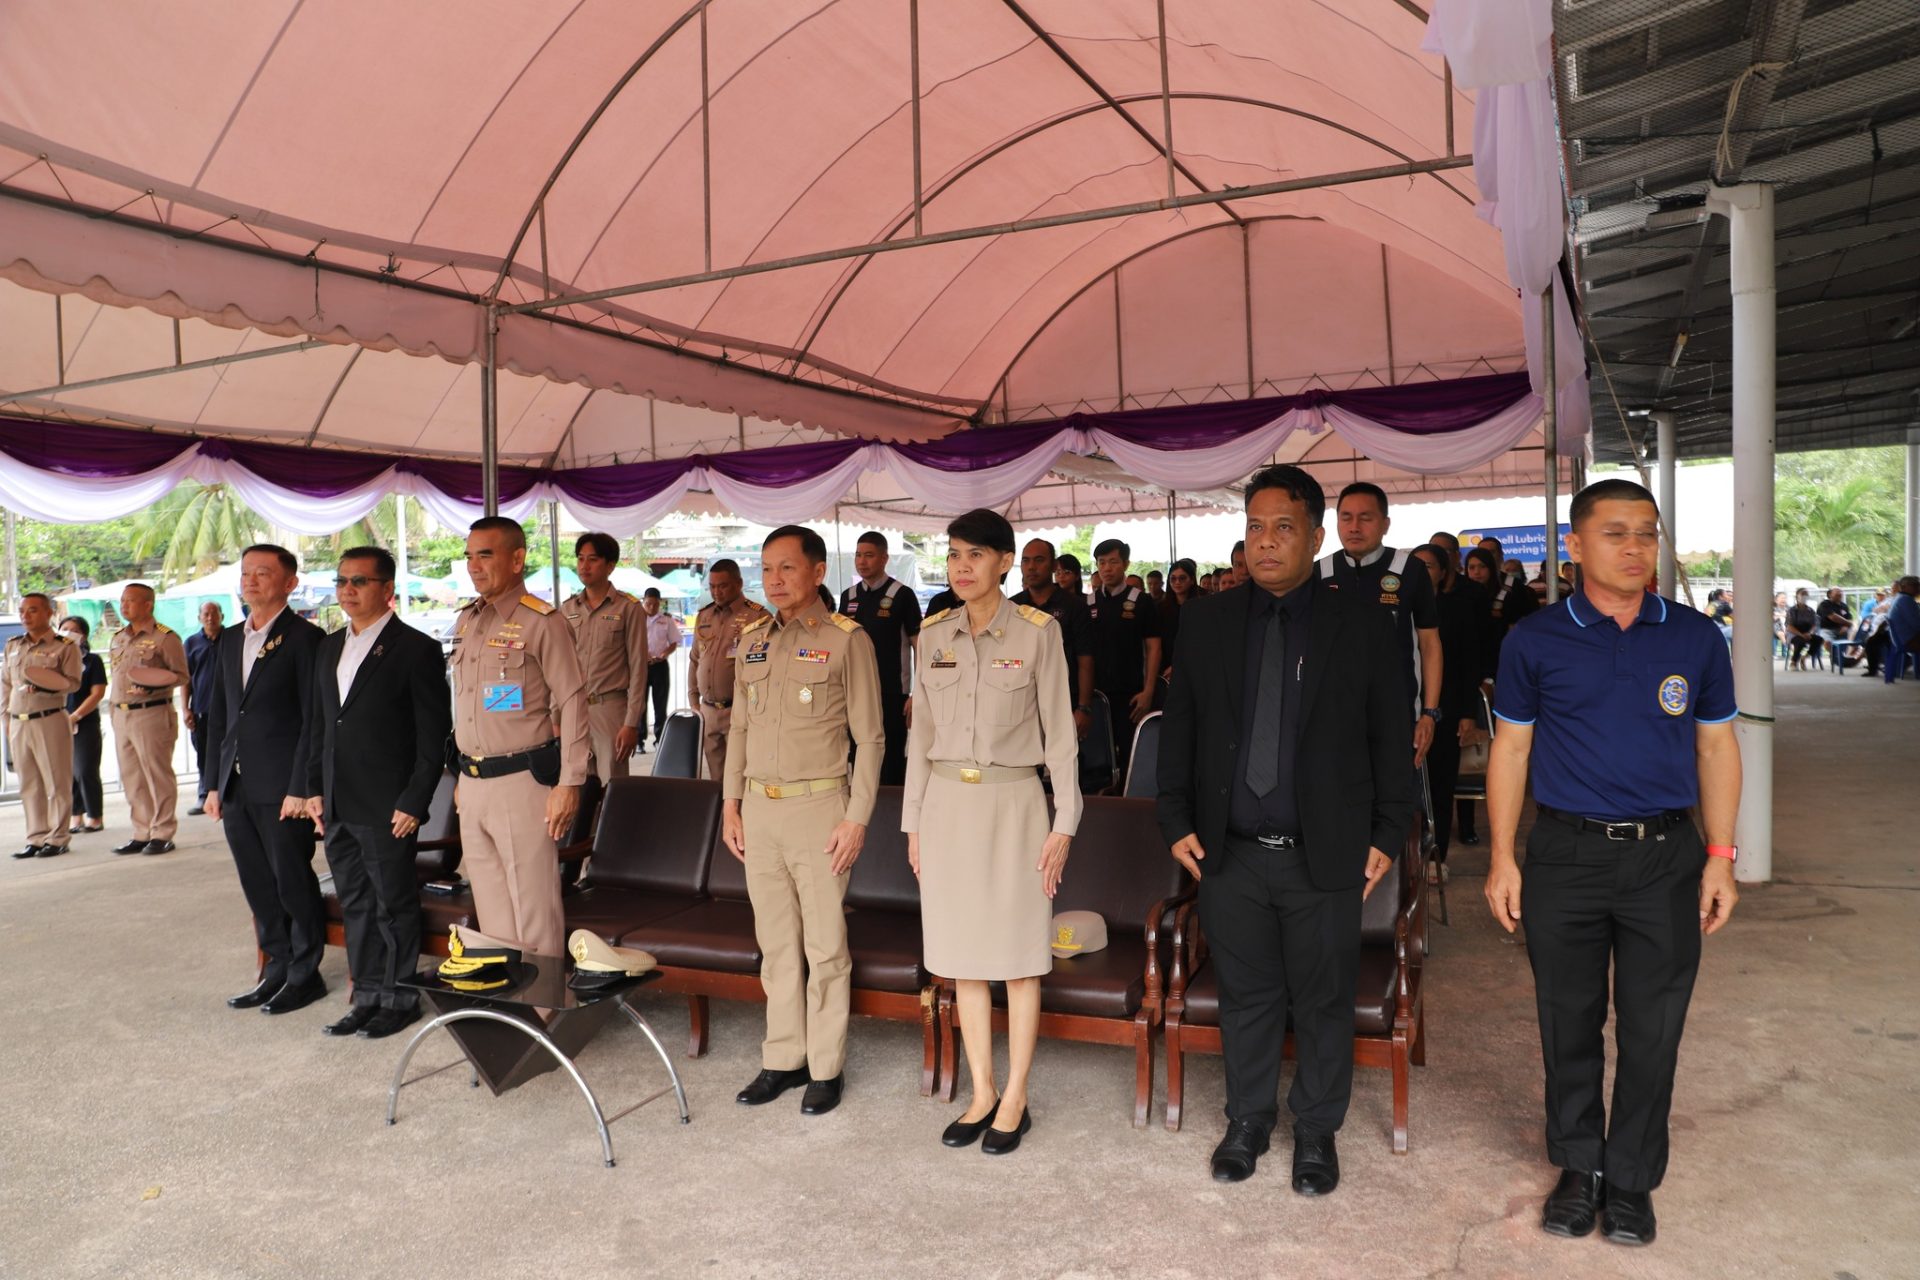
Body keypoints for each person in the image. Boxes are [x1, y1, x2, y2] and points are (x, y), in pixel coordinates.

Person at [1485, 477, 1741, 1248]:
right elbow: (1512, 749)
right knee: (1567, 1018)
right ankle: (1578, 1166)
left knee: (1653, 1025)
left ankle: (1630, 1177)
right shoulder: (1534, 639)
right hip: (1565, 854)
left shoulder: (1695, 637)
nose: (1636, 548)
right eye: (1616, 533)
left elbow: (1716, 746)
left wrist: (1721, 857)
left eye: (1647, 533)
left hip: (1666, 856)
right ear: (1574, 545)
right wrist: (1501, 856)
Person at [1157, 464, 1414, 1193]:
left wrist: (1388, 832)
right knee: (1246, 995)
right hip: (1231, 853)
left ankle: (1317, 1131)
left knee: (1324, 999)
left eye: (1283, 528)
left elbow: (1390, 738)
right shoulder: (1205, 621)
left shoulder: (1363, 623)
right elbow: (1182, 728)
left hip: (1324, 853)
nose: (1265, 542)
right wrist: (1174, 817)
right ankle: (1247, 1120)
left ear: (1316, 537)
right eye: (1255, 528)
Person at [904, 508, 1080, 1154]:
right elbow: (919, 739)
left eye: (975, 555)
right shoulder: (933, 635)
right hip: (947, 806)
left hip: (1015, 807)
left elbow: (1061, 736)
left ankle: (1016, 1096)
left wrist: (1064, 823)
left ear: (1005, 563)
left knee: (1018, 960)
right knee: (961, 960)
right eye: (954, 555)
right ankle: (982, 1092)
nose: (962, 567)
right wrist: (913, 823)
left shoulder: (1038, 633)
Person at [723, 524, 882, 1117]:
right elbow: (739, 728)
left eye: (787, 568)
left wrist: (857, 817)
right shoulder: (752, 640)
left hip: (821, 809)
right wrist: (730, 803)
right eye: (766, 569)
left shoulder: (846, 640)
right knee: (775, 942)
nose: (774, 580)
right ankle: (783, 1057)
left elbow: (871, 739)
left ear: (817, 572)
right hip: (759, 808)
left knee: (825, 945)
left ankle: (825, 1067)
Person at [302, 547, 451, 1040]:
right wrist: (313, 788)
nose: (347, 590)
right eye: (341, 580)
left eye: (359, 581)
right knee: (356, 903)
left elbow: (433, 736)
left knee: (393, 903)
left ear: (387, 589)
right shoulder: (329, 647)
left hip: (388, 804)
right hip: (338, 799)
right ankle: (366, 994)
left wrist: (415, 800)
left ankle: (399, 998)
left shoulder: (415, 648)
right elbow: (320, 725)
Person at [447, 517, 589, 961]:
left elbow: (573, 701)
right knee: (491, 910)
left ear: (517, 559)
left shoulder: (541, 621)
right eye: (469, 556)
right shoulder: (467, 620)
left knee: (533, 910)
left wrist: (569, 782)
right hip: (473, 782)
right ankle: (511, 997)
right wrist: (463, 777)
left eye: (485, 555)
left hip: (521, 781)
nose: (474, 565)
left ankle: (544, 1000)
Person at [202, 546, 329, 1015]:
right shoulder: (230, 639)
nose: (250, 581)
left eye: (262, 573)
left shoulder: (306, 638)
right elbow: (219, 716)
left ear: (290, 583)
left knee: (292, 880)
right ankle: (276, 965)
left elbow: (313, 720)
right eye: (245, 573)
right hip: (236, 784)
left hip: (283, 789)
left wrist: (302, 786)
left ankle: (305, 973)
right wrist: (213, 784)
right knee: (257, 883)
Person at [1318, 483, 1443, 767]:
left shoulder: (1410, 570)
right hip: (1335, 719)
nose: (1354, 527)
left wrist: (1429, 713)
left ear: (1385, 524)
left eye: (1366, 517)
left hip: (1399, 716)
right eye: (1346, 517)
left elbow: (1430, 644)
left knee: (1397, 792)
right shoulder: (1320, 573)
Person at [1409, 545, 1488, 870]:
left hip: (1445, 711)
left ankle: (1436, 857)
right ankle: (1406, 859)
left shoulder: (1457, 609)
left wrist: (1468, 714)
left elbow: (1470, 662)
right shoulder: (1394, 607)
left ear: (1443, 573)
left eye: (1428, 566)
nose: (1420, 571)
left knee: (1441, 787)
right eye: (1415, 565)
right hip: (1403, 711)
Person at [106, 582, 189, 855]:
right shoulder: (118, 638)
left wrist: (153, 686)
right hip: (122, 713)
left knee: (157, 774)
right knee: (132, 776)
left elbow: (181, 675)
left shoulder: (165, 638)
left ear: (148, 604)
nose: (124, 606)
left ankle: (162, 832)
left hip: (152, 712)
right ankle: (142, 831)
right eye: (122, 601)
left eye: (130, 601)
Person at [562, 533, 649, 782]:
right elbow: (560, 668)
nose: (584, 566)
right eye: (580, 559)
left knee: (611, 786)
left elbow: (638, 668)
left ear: (610, 565)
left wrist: (631, 723)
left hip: (610, 710)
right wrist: (555, 717)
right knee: (574, 786)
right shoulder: (567, 609)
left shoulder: (628, 608)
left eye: (592, 560)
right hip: (574, 709)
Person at [839, 531, 923, 786]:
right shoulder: (848, 596)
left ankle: (891, 807)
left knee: (891, 759)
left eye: (869, 555)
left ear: (884, 558)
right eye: (858, 555)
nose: (862, 561)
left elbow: (918, 645)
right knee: (858, 756)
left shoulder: (902, 595)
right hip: (855, 692)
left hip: (892, 693)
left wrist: (917, 693)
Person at [5, 594, 82, 858]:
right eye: (22, 611)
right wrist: (6, 718)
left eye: (33, 610)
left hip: (49, 718)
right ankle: (36, 837)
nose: (25, 616)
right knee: (29, 783)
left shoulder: (64, 646)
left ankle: (58, 837)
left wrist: (46, 685)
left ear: (49, 613)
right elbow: (6, 684)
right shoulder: (14, 645)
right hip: (19, 722)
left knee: (56, 782)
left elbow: (73, 683)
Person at [690, 559, 769, 782]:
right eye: (712, 586)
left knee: (740, 777)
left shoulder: (758, 616)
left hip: (740, 710)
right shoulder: (704, 615)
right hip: (708, 710)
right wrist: (694, 700)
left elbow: (765, 667)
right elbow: (695, 660)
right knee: (716, 778)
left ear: (738, 584)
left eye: (722, 586)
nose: (716, 592)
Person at [1009, 538, 1095, 740]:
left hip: (1064, 698)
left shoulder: (1074, 606)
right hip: (1021, 702)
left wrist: (1084, 707)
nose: (1031, 567)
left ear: (1054, 565)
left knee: (1064, 757)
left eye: (1039, 560)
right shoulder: (1012, 606)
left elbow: (1085, 659)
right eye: (1026, 560)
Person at [1088, 538, 1161, 769]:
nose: (1107, 568)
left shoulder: (1142, 601)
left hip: (1131, 695)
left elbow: (1154, 648)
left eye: (1113, 562)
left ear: (1126, 564)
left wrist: (1148, 691)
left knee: (1131, 754)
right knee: (1099, 758)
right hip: (1096, 694)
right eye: (1102, 562)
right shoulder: (1088, 602)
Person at [60, 616, 108, 837]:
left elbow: (97, 692)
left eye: (74, 630)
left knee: (85, 769)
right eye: (64, 629)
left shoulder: (92, 661)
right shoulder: (55, 660)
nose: (68, 633)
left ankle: (95, 816)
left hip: (85, 721)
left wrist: (77, 715)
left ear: (84, 635)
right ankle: (75, 816)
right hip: (59, 722)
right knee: (67, 772)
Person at [183, 601, 225, 815]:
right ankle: (204, 794)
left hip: (230, 709)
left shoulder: (233, 638)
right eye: (206, 614)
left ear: (222, 616)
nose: (210, 618)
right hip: (202, 708)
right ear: (199, 617)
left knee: (231, 753)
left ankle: (228, 795)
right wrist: (185, 708)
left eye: (214, 613)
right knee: (204, 755)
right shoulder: (191, 643)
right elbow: (186, 678)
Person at [641, 587, 681, 748]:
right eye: (648, 604)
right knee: (639, 704)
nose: (652, 607)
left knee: (660, 704)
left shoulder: (666, 620)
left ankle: (659, 738)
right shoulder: (636, 619)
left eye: (655, 604)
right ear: (643, 602)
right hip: (641, 666)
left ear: (660, 603)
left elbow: (674, 642)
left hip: (660, 666)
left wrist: (665, 653)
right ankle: (639, 740)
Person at [1882, 576, 1920, 683]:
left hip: (1900, 638)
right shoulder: (1906, 600)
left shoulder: (1900, 598)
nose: (1918, 588)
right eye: (1915, 585)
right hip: (1908, 639)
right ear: (1904, 587)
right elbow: (1917, 625)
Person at [1815, 588, 1853, 668]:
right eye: (1837, 592)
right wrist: (1848, 623)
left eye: (1841, 591)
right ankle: (1836, 657)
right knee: (1827, 642)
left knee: (1853, 636)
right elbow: (1833, 617)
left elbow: (1849, 618)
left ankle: (1844, 657)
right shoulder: (1824, 604)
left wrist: (1846, 626)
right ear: (1830, 594)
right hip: (1826, 629)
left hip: (1842, 630)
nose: (1840, 593)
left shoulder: (1844, 606)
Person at [1784, 588, 1821, 670]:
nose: (1805, 596)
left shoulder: (1810, 610)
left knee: (1818, 640)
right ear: (1797, 596)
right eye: (1802, 594)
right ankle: (1793, 662)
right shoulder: (1791, 610)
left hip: (1807, 632)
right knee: (1800, 641)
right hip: (1794, 633)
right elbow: (1789, 626)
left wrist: (1810, 633)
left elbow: (1814, 624)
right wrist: (1801, 634)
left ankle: (1804, 657)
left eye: (1806, 594)